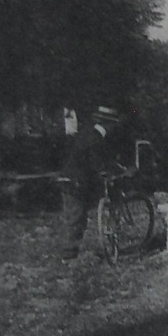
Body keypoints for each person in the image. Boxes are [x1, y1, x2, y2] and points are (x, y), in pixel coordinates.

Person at [59, 105, 122, 259]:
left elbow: (99, 159)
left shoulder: (89, 133)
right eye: (113, 125)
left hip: (72, 178)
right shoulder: (95, 139)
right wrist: (107, 172)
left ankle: (73, 252)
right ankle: (68, 256)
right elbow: (96, 162)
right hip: (76, 181)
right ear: (109, 124)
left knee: (76, 216)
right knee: (76, 217)